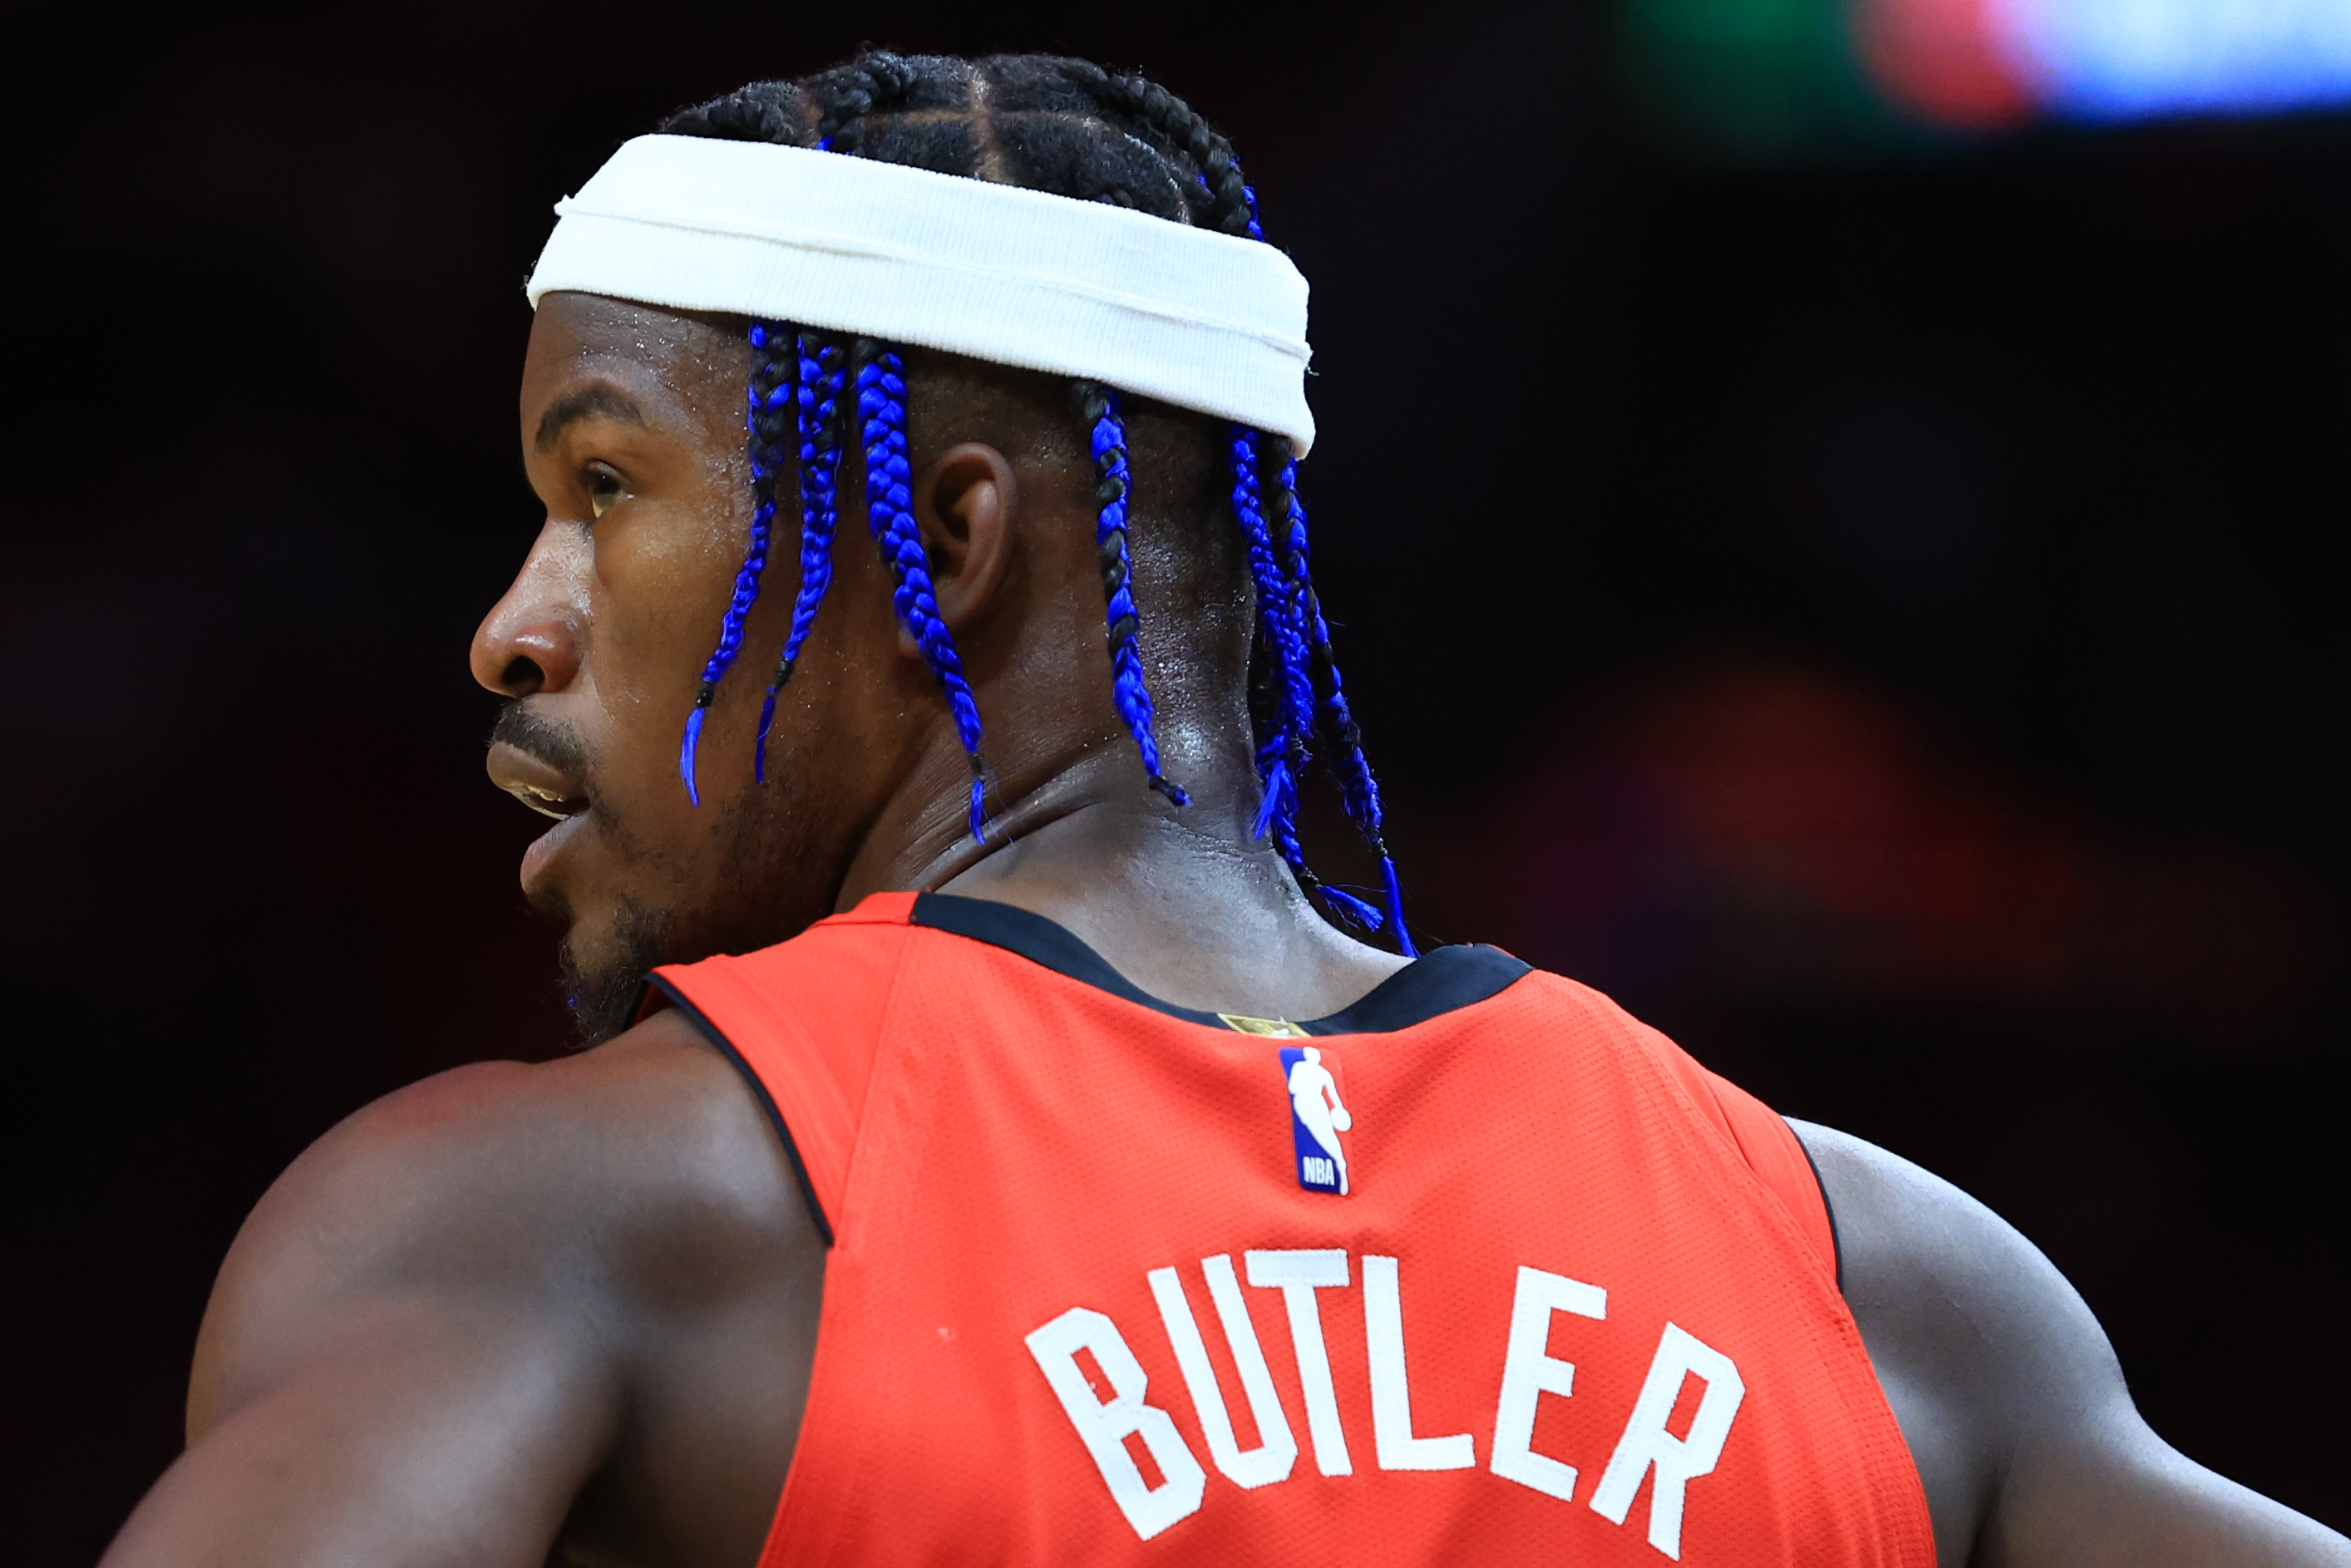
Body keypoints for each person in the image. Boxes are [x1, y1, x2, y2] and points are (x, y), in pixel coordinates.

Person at [102, 51, 2349, 1568]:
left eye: (605, 490)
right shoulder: (1887, 1286)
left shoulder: (564, 1221)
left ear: (944, 546)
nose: (515, 624)